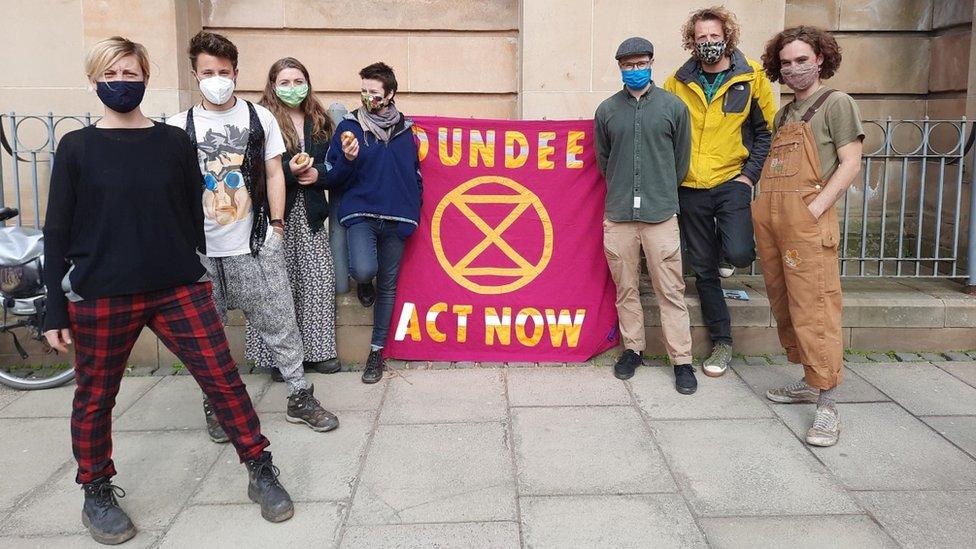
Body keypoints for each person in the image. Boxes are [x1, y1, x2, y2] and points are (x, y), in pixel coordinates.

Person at [43, 37, 294, 544]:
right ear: (94, 81)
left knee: (223, 379)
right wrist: (54, 306)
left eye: (132, 74)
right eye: (112, 74)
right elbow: (57, 230)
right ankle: (96, 489)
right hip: (102, 293)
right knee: (96, 396)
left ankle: (260, 468)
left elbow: (190, 209)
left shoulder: (173, 141)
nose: (122, 83)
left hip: (177, 286)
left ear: (146, 78)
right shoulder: (77, 147)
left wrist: (193, 265)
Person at [166, 31, 338, 440]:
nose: (217, 78)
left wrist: (277, 225)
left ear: (236, 73)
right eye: (208, 72)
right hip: (202, 251)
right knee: (207, 333)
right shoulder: (176, 128)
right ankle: (217, 403)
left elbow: (275, 172)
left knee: (280, 321)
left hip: (255, 242)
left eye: (224, 71)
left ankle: (300, 396)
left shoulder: (259, 119)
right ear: (195, 74)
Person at [757, 26, 864, 446]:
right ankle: (808, 379)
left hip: (806, 221)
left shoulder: (837, 103)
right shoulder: (784, 114)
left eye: (802, 60)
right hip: (773, 221)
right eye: (786, 62)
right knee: (786, 303)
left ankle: (828, 405)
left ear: (820, 59)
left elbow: (850, 163)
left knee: (815, 306)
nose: (793, 68)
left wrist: (814, 209)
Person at [664, 6, 776, 378]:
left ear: (727, 36)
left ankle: (723, 246)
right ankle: (722, 342)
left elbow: (765, 133)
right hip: (690, 186)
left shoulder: (752, 77)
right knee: (705, 270)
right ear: (691, 42)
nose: (708, 43)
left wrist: (749, 177)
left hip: (731, 181)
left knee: (740, 251)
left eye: (714, 36)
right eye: (701, 38)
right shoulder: (676, 82)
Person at [595, 37, 697, 394]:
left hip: (660, 214)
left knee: (670, 290)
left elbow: (680, 161)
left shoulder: (674, 107)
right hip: (620, 215)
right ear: (620, 67)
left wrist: (659, 189)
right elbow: (605, 160)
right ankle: (633, 350)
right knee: (626, 289)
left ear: (652, 62)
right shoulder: (607, 110)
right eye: (628, 65)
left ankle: (681, 360)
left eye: (640, 64)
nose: (634, 70)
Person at [250, 57, 358, 380]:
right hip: (275, 214)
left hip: (310, 214)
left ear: (307, 83)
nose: (292, 88)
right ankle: (282, 360)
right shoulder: (260, 119)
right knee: (278, 285)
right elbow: (253, 171)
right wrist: (289, 172)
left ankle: (319, 352)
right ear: (272, 85)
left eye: (298, 81)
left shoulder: (320, 119)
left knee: (318, 280)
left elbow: (335, 167)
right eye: (285, 82)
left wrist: (321, 172)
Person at [328, 62, 422, 384]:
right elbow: (333, 177)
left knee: (389, 286)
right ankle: (364, 283)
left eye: (375, 93)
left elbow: (415, 174)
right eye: (364, 91)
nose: (369, 98)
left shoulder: (407, 131)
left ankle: (376, 352)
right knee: (365, 270)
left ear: (390, 93)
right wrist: (348, 158)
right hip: (362, 215)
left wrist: (414, 211)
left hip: (398, 219)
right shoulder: (349, 127)